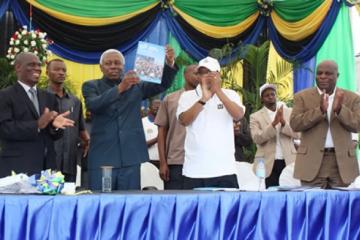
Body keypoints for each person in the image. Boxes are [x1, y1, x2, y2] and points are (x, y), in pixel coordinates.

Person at [82, 47, 177, 190]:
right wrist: (121, 87)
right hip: (104, 159)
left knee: (130, 201)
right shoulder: (91, 85)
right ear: (101, 67)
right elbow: (94, 105)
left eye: (117, 63)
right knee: (103, 201)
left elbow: (161, 84)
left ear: (123, 66)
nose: (113, 66)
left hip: (130, 157)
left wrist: (168, 64)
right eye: (109, 63)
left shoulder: (137, 86)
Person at [0, 52, 74, 177]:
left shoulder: (49, 97)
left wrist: (55, 127)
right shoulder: (5, 95)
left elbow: (54, 135)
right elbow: (4, 129)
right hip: (17, 167)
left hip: (46, 168)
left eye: (39, 65)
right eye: (31, 65)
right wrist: (37, 125)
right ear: (18, 67)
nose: (37, 69)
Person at [176, 57, 245, 189]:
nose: (205, 76)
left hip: (225, 170)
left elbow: (238, 115)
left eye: (210, 72)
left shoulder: (230, 94)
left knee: (227, 210)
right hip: (194, 171)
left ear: (218, 75)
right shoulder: (187, 96)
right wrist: (203, 99)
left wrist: (218, 91)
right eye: (202, 73)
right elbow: (183, 121)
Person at [290, 60, 360, 188]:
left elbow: (357, 126)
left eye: (328, 73)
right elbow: (295, 124)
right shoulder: (302, 97)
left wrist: (340, 110)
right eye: (319, 73)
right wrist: (320, 111)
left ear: (337, 76)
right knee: (313, 206)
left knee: (340, 206)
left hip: (341, 164)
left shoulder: (352, 98)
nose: (323, 76)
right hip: (311, 162)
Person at [154, 64, 198, 189]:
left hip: (200, 161)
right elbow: (161, 132)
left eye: (201, 73)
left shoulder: (208, 99)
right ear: (185, 75)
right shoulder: (171, 99)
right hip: (176, 161)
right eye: (195, 73)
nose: (199, 76)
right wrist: (163, 163)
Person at [46, 59, 90, 182]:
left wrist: (88, 141)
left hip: (70, 161)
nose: (61, 73)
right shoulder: (41, 97)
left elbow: (81, 127)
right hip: (48, 161)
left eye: (64, 70)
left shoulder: (75, 101)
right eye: (57, 69)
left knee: (68, 197)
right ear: (47, 72)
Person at [250, 83, 300, 188]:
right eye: (267, 95)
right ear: (262, 99)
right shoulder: (255, 117)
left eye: (272, 94)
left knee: (291, 192)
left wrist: (283, 123)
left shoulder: (289, 112)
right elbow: (257, 138)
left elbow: (298, 134)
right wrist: (273, 124)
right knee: (270, 195)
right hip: (266, 162)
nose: (270, 97)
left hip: (288, 160)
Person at [142, 98, 161, 168]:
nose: (158, 107)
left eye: (160, 106)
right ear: (149, 108)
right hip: (148, 161)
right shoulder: (142, 122)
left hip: (163, 161)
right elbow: (141, 145)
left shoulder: (166, 122)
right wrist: (157, 139)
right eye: (155, 106)